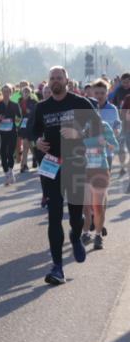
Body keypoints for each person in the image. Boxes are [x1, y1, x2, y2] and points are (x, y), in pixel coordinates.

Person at [32, 66, 102, 285]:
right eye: (52, 78)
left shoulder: (80, 102)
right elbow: (32, 130)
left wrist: (78, 133)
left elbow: (99, 128)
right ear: (48, 81)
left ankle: (75, 235)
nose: (55, 81)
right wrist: (37, 141)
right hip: (51, 166)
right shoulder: (42, 107)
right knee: (54, 216)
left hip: (75, 165)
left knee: (75, 216)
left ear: (67, 80)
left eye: (59, 78)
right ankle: (57, 267)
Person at [81, 103, 118, 250]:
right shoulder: (80, 128)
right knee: (85, 206)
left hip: (100, 169)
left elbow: (116, 145)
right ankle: (85, 233)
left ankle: (98, 236)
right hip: (84, 170)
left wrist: (107, 142)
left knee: (98, 205)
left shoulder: (104, 126)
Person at [0, 84, 23, 185]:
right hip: (1, 133)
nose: (6, 94)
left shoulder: (14, 105)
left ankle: (10, 170)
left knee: (10, 153)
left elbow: (19, 117)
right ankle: (6, 173)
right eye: (4, 91)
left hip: (12, 132)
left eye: (8, 91)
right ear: (2, 92)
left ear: (11, 93)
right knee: (3, 154)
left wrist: (17, 124)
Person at [18, 85, 38, 173]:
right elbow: (18, 113)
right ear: (22, 93)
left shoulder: (33, 102)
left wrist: (30, 112)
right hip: (23, 124)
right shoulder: (19, 101)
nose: (25, 94)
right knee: (26, 143)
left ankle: (35, 158)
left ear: (30, 93)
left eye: (27, 92)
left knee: (29, 143)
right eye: (24, 92)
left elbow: (36, 112)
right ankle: (24, 164)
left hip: (31, 124)